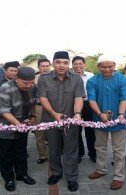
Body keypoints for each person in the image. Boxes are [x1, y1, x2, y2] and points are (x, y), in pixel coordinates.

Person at [37, 51, 84, 192]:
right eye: (58, 62)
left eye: (65, 62)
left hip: (70, 122)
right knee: (54, 149)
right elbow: (42, 98)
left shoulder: (77, 79)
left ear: (68, 63)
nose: (62, 65)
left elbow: (78, 98)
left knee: (71, 150)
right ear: (53, 63)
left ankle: (71, 177)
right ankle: (56, 173)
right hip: (50, 121)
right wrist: (53, 113)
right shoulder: (43, 79)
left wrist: (77, 114)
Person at [87, 55, 126, 190]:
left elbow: (124, 99)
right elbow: (91, 100)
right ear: (98, 67)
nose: (107, 69)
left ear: (114, 65)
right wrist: (100, 114)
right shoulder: (92, 81)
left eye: (110, 66)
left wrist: (121, 114)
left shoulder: (123, 80)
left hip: (119, 119)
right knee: (100, 147)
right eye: (103, 67)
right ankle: (101, 169)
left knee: (119, 150)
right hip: (99, 120)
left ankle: (118, 176)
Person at [0, 66, 37, 192]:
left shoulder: (32, 87)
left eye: (32, 82)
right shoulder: (5, 88)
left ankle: (22, 174)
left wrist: (33, 116)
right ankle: (8, 179)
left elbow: (32, 103)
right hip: (6, 127)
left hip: (23, 125)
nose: (29, 86)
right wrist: (18, 124)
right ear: (16, 78)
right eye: (25, 83)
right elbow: (4, 112)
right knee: (6, 155)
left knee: (21, 151)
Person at [72, 56, 96, 163]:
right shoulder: (69, 76)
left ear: (84, 64)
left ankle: (93, 153)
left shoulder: (91, 76)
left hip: (88, 104)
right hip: (74, 104)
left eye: (80, 63)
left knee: (90, 130)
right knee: (76, 130)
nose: (78, 66)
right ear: (72, 65)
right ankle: (79, 153)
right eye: (75, 64)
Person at [34, 58, 50, 164]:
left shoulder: (55, 77)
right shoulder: (33, 79)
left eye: (47, 66)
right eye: (42, 66)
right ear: (38, 67)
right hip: (39, 107)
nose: (45, 68)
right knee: (39, 133)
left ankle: (55, 153)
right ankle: (43, 155)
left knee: (54, 131)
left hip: (53, 108)